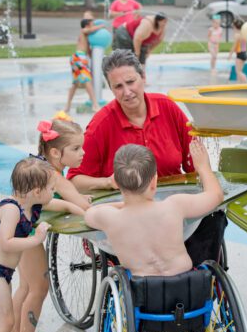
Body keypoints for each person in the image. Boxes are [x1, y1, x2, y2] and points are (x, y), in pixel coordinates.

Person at [68, 49, 228, 267]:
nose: (127, 92)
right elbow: (75, 181)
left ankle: (203, 274)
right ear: (111, 89)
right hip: (128, 211)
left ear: (143, 77)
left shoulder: (167, 108)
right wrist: (107, 182)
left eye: (131, 82)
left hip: (169, 207)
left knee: (213, 216)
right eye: (118, 86)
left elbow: (193, 165)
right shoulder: (101, 125)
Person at [0, 157, 83, 332]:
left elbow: (65, 206)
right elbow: (6, 243)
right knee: (5, 323)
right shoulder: (10, 209)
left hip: (2, 272)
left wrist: (86, 211)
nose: (53, 192)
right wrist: (36, 238)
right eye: (51, 189)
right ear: (37, 191)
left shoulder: (33, 206)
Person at [9, 120, 89, 332]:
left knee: (25, 286)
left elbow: (58, 199)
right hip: (27, 232)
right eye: (76, 148)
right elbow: (83, 206)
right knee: (39, 288)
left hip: (15, 223)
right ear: (55, 152)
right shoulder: (54, 175)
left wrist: (70, 199)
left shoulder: (41, 165)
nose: (82, 153)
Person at [85, 141, 223, 276]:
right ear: (154, 181)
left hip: (140, 293)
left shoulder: (110, 217)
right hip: (184, 287)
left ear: (116, 182)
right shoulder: (175, 205)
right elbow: (216, 195)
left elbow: (90, 212)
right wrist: (203, 167)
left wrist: (123, 205)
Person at [64, 15, 105, 114]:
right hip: (79, 58)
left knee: (75, 83)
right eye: (92, 22)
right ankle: (95, 104)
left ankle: (67, 106)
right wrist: (101, 26)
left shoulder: (87, 37)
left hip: (78, 59)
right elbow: (87, 30)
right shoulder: (84, 31)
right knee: (87, 81)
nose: (94, 24)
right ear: (87, 24)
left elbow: (89, 52)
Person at [228, 17, 247, 83]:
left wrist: (230, 55)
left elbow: (234, 46)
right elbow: (244, 46)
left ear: (235, 27)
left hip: (239, 54)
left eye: (233, 27)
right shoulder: (244, 34)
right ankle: (239, 85)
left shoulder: (237, 35)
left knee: (238, 72)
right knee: (239, 71)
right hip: (244, 53)